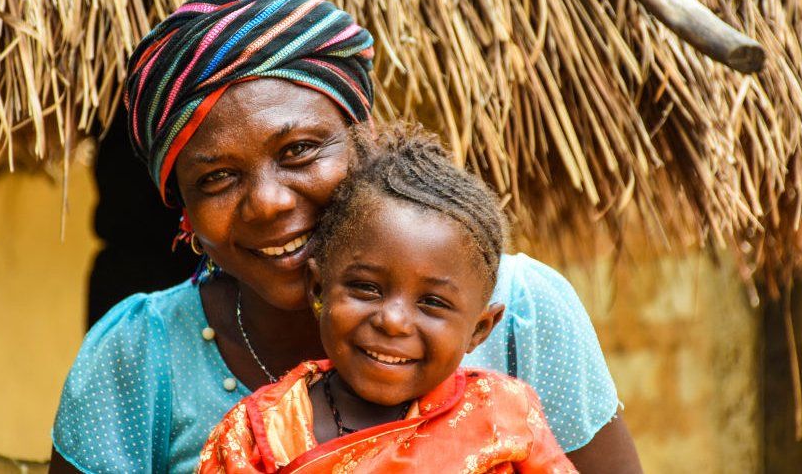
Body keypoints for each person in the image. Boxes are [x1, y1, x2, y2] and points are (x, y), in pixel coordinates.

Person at [49, 0, 641, 473]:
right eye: (217, 178)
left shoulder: (524, 312)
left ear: (365, 141)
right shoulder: (137, 356)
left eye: (300, 149)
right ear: (185, 213)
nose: (268, 203)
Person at [197, 124, 576, 473]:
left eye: (432, 302)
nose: (393, 320)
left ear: (479, 330)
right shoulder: (255, 434)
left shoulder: (503, 412)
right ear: (318, 289)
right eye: (366, 288)